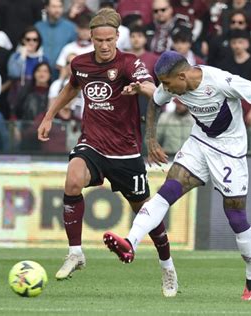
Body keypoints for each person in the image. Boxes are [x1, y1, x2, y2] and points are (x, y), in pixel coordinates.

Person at [102, 50, 251, 301]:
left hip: (230, 152)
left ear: (181, 75)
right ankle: (130, 242)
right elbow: (155, 104)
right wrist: (150, 139)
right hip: (199, 144)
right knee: (167, 191)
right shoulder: (172, 84)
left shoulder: (219, 80)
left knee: (235, 216)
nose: (166, 89)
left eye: (168, 84)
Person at [36, 8, 178, 298]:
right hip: (93, 144)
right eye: (98, 40)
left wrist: (142, 88)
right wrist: (50, 114)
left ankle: (168, 267)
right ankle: (75, 253)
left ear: (117, 37)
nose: (103, 45)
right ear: (91, 38)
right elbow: (72, 87)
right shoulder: (80, 63)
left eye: (109, 40)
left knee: (146, 214)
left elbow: (150, 87)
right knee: (72, 179)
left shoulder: (128, 63)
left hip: (125, 152)